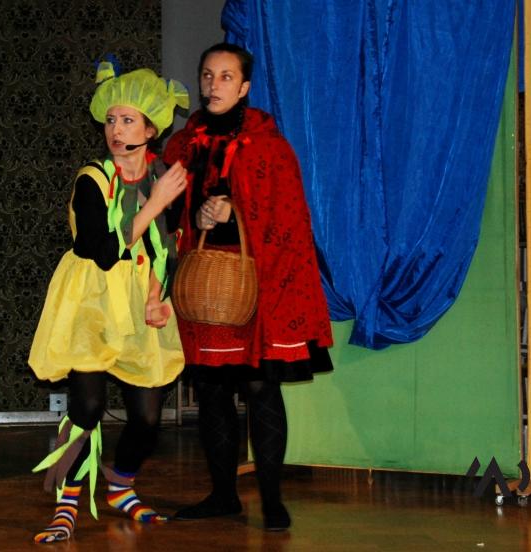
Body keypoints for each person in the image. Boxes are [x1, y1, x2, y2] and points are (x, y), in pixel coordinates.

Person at [163, 43, 334, 531]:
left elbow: (288, 217)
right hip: (207, 287)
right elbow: (170, 213)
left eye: (225, 76)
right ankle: (223, 496)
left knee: (260, 387)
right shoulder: (186, 146)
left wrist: (235, 211)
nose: (213, 84)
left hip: (260, 285)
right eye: (207, 75)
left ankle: (273, 499)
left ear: (244, 88)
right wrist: (195, 217)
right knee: (212, 390)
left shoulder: (269, 147)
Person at [28, 60, 189, 543]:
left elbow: (167, 244)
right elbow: (101, 250)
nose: (116, 130)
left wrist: (158, 296)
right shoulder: (92, 180)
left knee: (147, 416)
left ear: (151, 129)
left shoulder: (163, 177)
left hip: (140, 297)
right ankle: (67, 504)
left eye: (128, 120)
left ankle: (121, 485)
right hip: (92, 298)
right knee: (88, 405)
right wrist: (155, 203)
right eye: (111, 120)